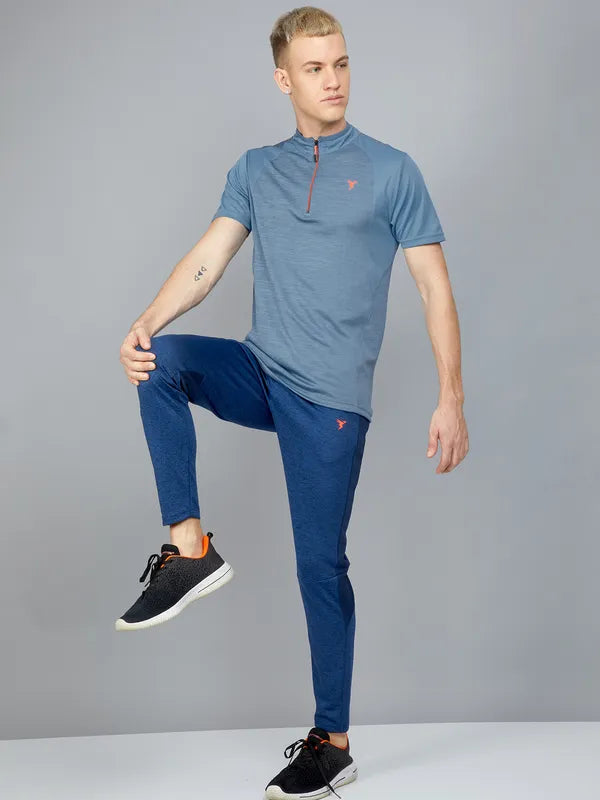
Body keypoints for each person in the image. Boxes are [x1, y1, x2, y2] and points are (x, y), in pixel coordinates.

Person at [115, 6, 469, 799]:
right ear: (284, 79)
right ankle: (190, 549)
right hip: (261, 369)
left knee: (319, 565)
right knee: (160, 364)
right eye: (315, 68)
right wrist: (146, 321)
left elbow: (434, 289)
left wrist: (451, 396)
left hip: (331, 400)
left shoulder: (392, 171)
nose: (333, 80)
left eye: (340, 63)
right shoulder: (255, 169)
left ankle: (332, 743)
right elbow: (209, 259)